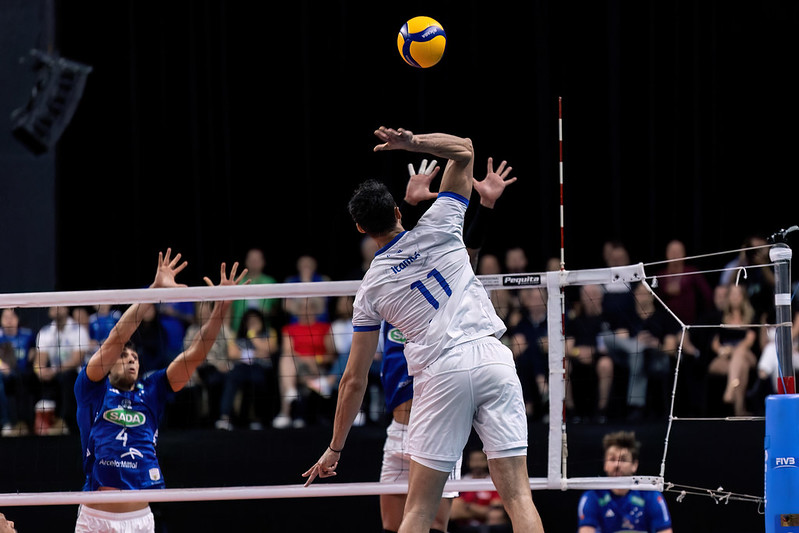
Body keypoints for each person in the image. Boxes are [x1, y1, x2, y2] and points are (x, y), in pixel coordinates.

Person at [303, 126, 544, 533]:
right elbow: (464, 151)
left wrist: (335, 448)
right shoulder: (443, 221)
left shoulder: (370, 290)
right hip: (492, 358)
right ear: (399, 211)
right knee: (519, 496)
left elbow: (353, 381)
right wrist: (411, 143)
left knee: (417, 512)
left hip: (440, 374)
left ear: (360, 229)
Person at [73, 249, 247, 532]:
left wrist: (221, 308)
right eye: (123, 356)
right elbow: (118, 336)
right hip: (97, 518)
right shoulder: (91, 389)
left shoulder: (151, 390)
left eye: (135, 357)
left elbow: (194, 355)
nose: (130, 358)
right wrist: (153, 291)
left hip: (140, 518)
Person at [602, 281, 680, 421]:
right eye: (639, 292)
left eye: (646, 293)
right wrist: (637, 342)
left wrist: (655, 345)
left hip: (656, 359)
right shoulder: (627, 315)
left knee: (638, 353)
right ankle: (639, 348)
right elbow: (621, 340)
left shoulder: (663, 316)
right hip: (627, 358)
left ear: (653, 296)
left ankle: (636, 406)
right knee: (610, 338)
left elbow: (671, 348)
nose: (642, 296)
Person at [577, 430, 673, 533]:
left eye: (623, 460)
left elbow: (665, 531)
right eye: (612, 459)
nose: (617, 465)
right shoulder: (592, 496)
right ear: (605, 464)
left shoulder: (651, 495)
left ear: (634, 465)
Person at [274, 296, 337, 428]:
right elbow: (288, 350)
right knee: (286, 360)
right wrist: (307, 359)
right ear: (297, 310)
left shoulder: (324, 328)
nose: (306, 310)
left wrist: (315, 360)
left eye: (309, 307)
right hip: (297, 365)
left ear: (316, 309)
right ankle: (291, 393)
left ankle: (286, 412)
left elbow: (331, 355)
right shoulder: (289, 329)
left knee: (286, 373)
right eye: (302, 307)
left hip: (317, 367)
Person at [215, 308, 278, 430]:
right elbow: (232, 354)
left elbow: (269, 350)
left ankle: (258, 418)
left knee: (257, 379)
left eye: (256, 320)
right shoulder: (237, 336)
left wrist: (252, 336)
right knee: (232, 377)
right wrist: (256, 353)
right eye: (250, 321)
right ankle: (225, 417)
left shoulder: (269, 333)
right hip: (241, 367)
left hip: (261, 368)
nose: (253, 323)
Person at [33, 305, 91, 434]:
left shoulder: (78, 330)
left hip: (76, 373)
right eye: (53, 306)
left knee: (67, 377)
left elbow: (77, 360)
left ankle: (64, 420)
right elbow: (39, 362)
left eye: (59, 305)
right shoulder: (45, 332)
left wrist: (54, 371)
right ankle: (28, 423)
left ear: (66, 308)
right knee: (28, 377)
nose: (56, 308)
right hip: (54, 374)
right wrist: (40, 371)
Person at [707, 283, 758, 416]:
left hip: (747, 353)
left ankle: (729, 390)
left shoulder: (751, 317)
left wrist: (733, 351)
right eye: (732, 294)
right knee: (742, 366)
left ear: (743, 297)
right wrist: (723, 351)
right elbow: (715, 343)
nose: (735, 297)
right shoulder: (720, 317)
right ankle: (740, 411)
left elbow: (749, 341)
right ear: (728, 297)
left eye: (738, 294)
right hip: (726, 356)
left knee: (740, 354)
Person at [564, 284, 613, 423]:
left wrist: (593, 352)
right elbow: (568, 347)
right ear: (582, 297)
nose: (590, 297)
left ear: (601, 296)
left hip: (601, 357)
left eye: (593, 293)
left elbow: (614, 345)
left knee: (606, 364)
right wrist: (578, 352)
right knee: (563, 365)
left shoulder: (608, 318)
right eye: (587, 294)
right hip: (578, 357)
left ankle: (602, 410)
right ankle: (571, 411)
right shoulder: (576, 320)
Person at [449, 449, 511, 533]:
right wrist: (482, 512)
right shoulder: (460, 482)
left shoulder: (495, 482)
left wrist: (467, 507)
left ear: (486, 461)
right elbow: (454, 511)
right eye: (474, 460)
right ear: (468, 462)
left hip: (489, 527)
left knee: (496, 514)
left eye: (480, 460)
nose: (477, 464)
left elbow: (496, 510)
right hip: (464, 528)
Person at [0, 308, 37, 436]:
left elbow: (36, 350)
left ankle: (28, 424)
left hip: (25, 373)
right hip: (4, 374)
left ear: (17, 319)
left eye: (12, 317)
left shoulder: (28, 335)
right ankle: (6, 422)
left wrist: (34, 354)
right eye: (5, 317)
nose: (9, 320)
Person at [228, 247, 278, 332]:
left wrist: (266, 313)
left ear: (263, 262)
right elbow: (229, 308)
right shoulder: (236, 282)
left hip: (264, 332)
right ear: (246, 261)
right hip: (238, 331)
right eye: (251, 259)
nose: (254, 262)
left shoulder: (270, 282)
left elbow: (275, 308)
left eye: (257, 260)